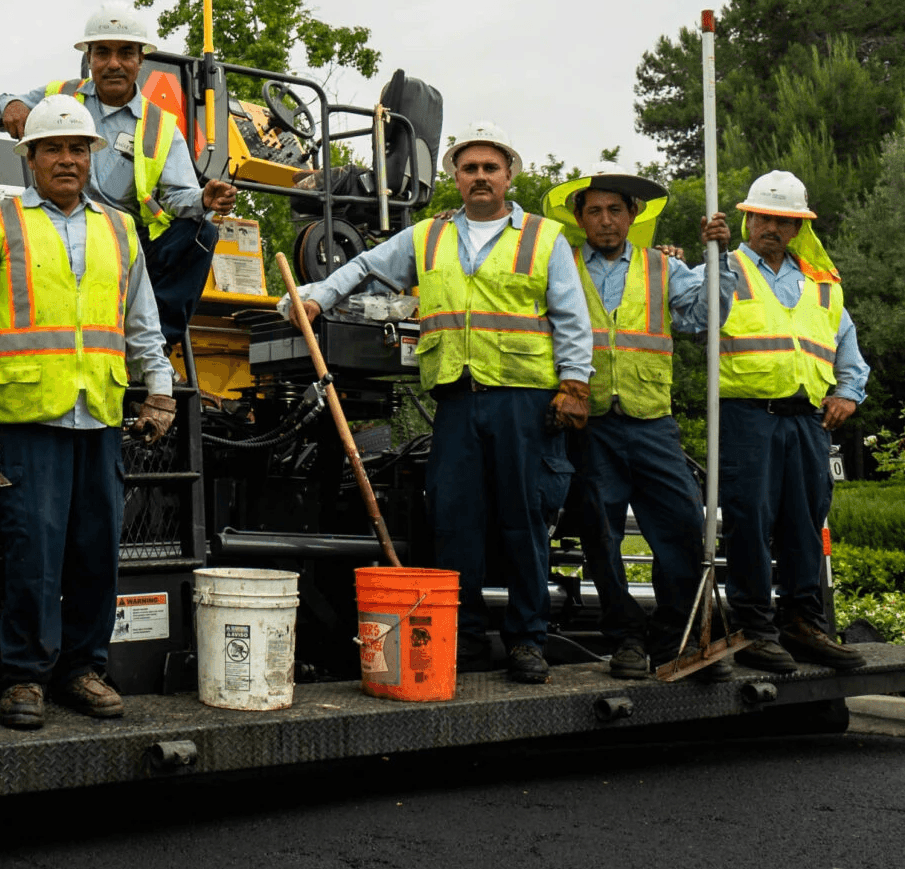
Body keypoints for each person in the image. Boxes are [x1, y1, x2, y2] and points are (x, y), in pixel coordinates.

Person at [281, 123, 592, 683]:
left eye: (489, 169)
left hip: (524, 402)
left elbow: (571, 317)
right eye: (469, 168)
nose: (479, 178)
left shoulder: (544, 239)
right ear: (454, 176)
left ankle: (526, 641)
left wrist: (574, 384)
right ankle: (465, 642)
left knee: (523, 524)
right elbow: (366, 266)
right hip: (456, 400)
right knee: (455, 524)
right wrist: (319, 295)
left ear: (508, 176)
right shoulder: (429, 236)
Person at [0, 95, 178, 729]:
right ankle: (25, 678)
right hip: (28, 415)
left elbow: (142, 322)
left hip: (97, 414)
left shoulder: (120, 228)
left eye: (79, 148)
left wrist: (159, 388)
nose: (68, 159)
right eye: (54, 148)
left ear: (91, 157)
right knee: (31, 552)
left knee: (94, 552)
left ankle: (83, 668)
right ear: (30, 157)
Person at [544, 167, 716, 678]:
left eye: (614, 210)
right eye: (593, 211)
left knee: (684, 527)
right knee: (600, 533)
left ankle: (673, 637)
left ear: (632, 214)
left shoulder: (663, 267)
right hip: (587, 423)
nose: (605, 220)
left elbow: (707, 317)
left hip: (651, 419)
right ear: (579, 219)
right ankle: (625, 639)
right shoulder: (562, 265)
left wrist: (716, 261)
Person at [0, 1, 237, 354]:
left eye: (125, 53)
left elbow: (179, 198)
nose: (114, 63)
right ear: (89, 58)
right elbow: (2, 101)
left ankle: (153, 348)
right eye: (102, 52)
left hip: (126, 240)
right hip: (52, 226)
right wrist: (11, 105)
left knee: (201, 232)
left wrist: (202, 200)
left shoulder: (160, 126)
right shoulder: (60, 95)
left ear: (141, 60)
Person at [714, 171, 868, 673]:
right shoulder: (724, 269)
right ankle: (755, 628)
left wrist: (848, 392)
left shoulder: (822, 284)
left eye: (783, 220)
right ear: (746, 219)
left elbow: (848, 347)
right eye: (762, 217)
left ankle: (805, 624)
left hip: (807, 420)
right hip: (745, 416)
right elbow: (693, 320)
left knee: (804, 522)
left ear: (799, 227)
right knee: (750, 522)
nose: (771, 227)